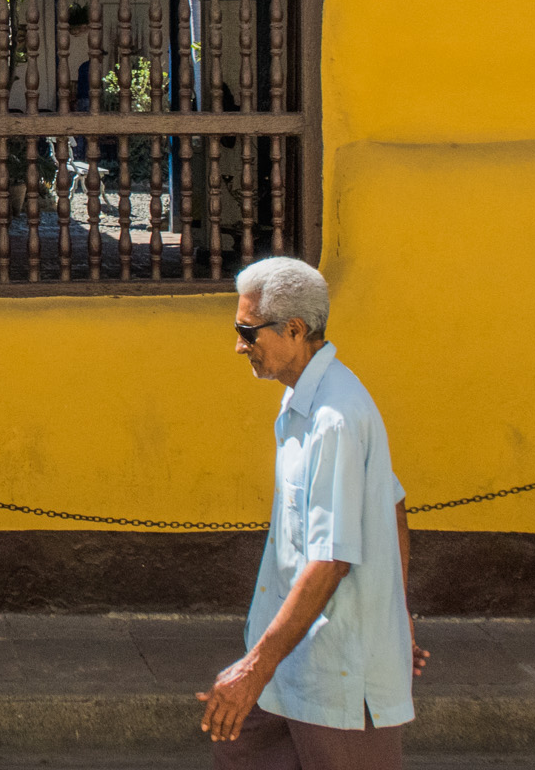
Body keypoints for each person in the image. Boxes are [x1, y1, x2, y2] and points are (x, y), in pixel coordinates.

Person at [196, 257, 428, 769]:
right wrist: (400, 614)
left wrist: (253, 669)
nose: (239, 345)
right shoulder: (306, 400)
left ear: (295, 330)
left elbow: (330, 560)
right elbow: (393, 504)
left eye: (247, 331)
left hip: (338, 670)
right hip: (290, 659)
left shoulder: (335, 418)